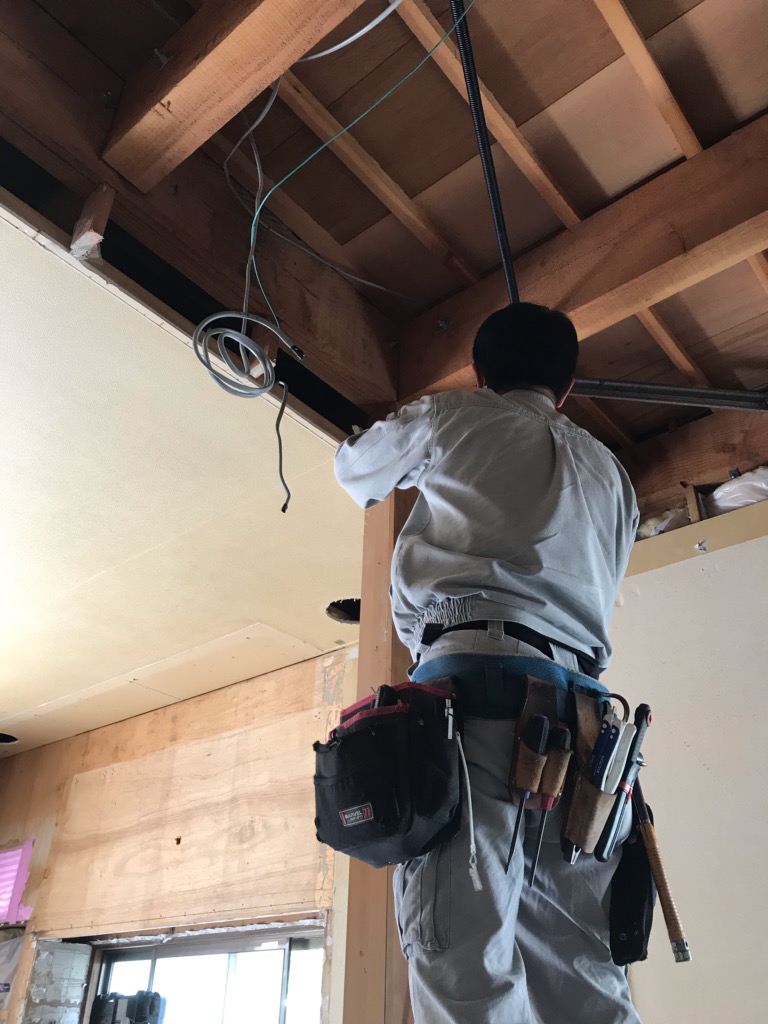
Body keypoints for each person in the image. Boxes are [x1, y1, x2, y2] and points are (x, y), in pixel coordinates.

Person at [334, 302, 641, 1024]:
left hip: (477, 710)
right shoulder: (613, 475)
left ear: (478, 372)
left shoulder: (456, 417)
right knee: (585, 981)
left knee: (465, 967)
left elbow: (355, 470)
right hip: (589, 736)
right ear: (567, 387)